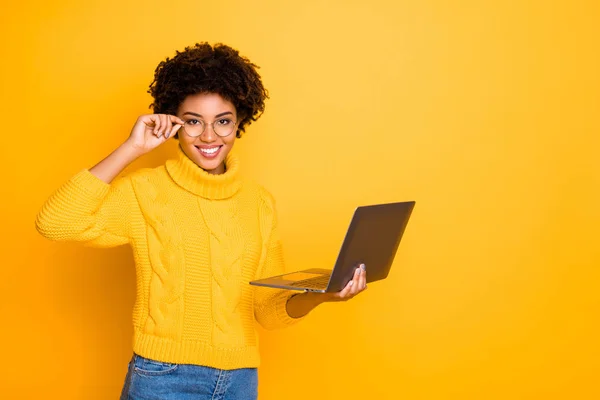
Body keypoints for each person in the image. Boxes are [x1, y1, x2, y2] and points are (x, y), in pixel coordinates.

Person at [35, 42, 367, 400]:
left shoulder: (259, 203)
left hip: (240, 380)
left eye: (222, 122)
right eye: (193, 122)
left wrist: (323, 294)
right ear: (174, 122)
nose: (209, 137)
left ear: (240, 121)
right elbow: (55, 222)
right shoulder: (145, 190)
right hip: (162, 377)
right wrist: (131, 148)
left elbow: (268, 312)